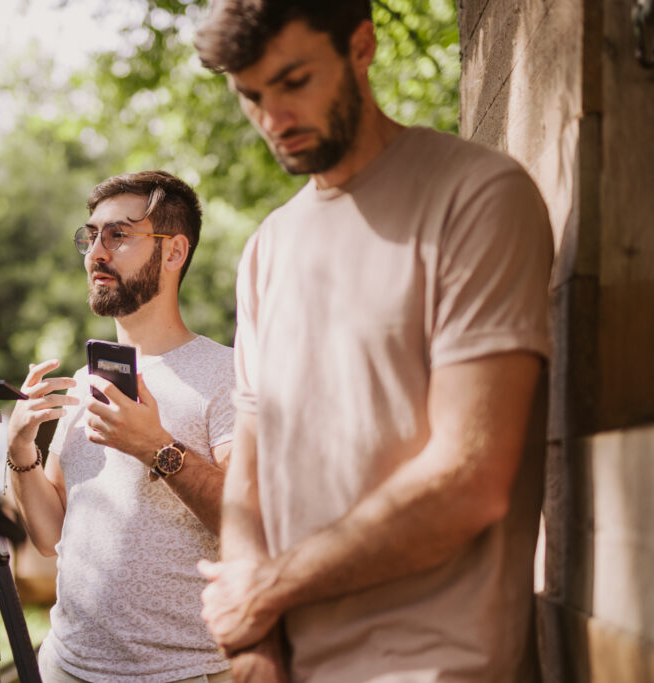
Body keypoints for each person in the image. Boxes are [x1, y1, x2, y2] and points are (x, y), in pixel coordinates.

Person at [192, 2, 554, 682]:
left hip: (436, 665)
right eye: (251, 95)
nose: (273, 119)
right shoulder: (268, 249)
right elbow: (250, 467)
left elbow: (469, 479)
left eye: (294, 82)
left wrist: (268, 590)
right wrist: (255, 643)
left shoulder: (478, 196)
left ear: (361, 47)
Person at [6, 170, 235, 682]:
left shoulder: (228, 374)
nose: (96, 253)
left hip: (184, 672)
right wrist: (20, 450)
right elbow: (50, 536)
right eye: (92, 236)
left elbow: (249, 522)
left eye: (119, 235)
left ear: (174, 252)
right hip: (65, 667)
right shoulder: (91, 377)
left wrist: (157, 447)